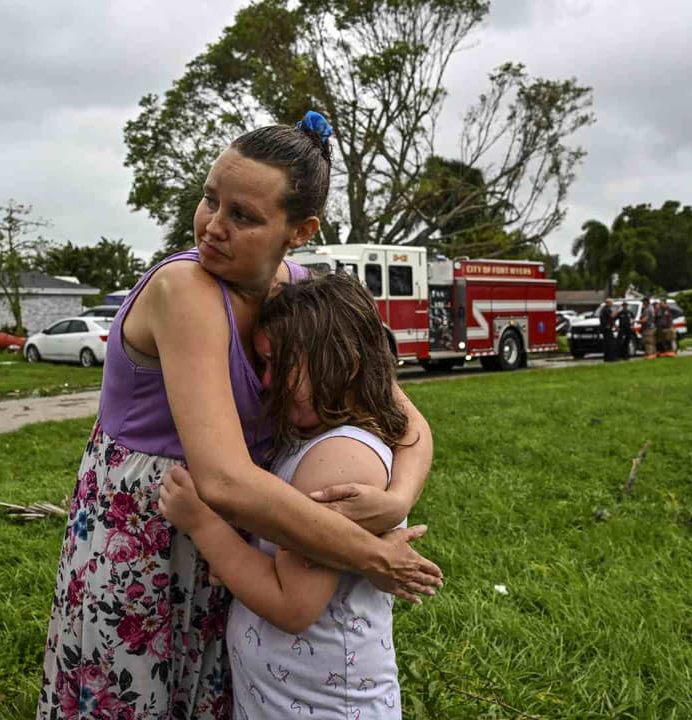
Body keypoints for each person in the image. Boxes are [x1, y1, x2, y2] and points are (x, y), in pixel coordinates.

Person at [36, 112, 439, 719]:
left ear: (299, 230)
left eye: (243, 216)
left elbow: (400, 417)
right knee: (134, 697)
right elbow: (220, 480)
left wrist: (396, 497)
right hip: (150, 529)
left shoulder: (305, 297)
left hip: (256, 530)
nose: (213, 226)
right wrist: (369, 552)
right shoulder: (185, 290)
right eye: (210, 199)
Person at [161, 272, 411, 719]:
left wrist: (204, 524)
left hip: (323, 706)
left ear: (342, 362)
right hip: (288, 698)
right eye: (261, 364)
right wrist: (246, 560)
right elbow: (288, 560)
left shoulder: (341, 458)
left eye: (280, 364)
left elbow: (294, 605)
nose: (265, 381)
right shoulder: (312, 437)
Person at [598, 297, 619, 362]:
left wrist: (615, 326)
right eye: (611, 302)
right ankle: (611, 358)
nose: (612, 304)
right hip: (607, 328)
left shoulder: (603, 309)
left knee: (607, 343)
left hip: (605, 328)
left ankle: (607, 358)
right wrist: (617, 310)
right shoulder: (607, 309)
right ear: (608, 303)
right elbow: (612, 316)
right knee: (610, 343)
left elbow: (610, 320)